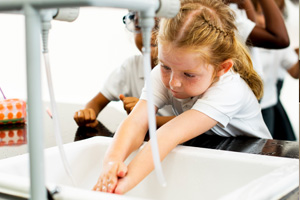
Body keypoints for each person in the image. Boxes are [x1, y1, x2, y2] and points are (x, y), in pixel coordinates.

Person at [92, 0, 272, 194]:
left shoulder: (230, 89)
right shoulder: (167, 73)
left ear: (222, 68)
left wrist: (121, 186)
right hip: (213, 154)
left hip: (260, 165)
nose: (173, 83)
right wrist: (111, 162)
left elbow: (169, 135)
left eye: (189, 75)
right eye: (165, 66)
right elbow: (137, 121)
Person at [73, 12, 174, 129]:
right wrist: (87, 113)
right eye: (139, 25)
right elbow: (96, 102)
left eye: (157, 26)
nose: (148, 35)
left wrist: (143, 115)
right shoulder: (131, 66)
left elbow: (195, 122)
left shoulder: (183, 71)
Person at [251, 0, 299, 139]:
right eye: (260, 13)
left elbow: (295, 72)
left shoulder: (280, 45)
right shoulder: (245, 35)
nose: (266, 20)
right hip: (242, 110)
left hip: (266, 108)